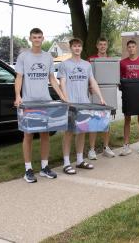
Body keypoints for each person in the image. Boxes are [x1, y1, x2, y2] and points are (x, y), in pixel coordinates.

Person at [14, 28, 67, 183]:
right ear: (30, 39)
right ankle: (28, 170)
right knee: (28, 135)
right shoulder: (23, 56)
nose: (37, 39)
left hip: (45, 101)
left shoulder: (48, 57)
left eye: (39, 37)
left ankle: (44, 167)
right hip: (28, 102)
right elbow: (19, 78)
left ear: (43, 38)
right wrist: (18, 96)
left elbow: (52, 79)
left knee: (45, 134)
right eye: (34, 37)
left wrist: (63, 97)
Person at [57, 38, 106, 174]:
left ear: (81, 48)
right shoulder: (64, 65)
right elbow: (62, 83)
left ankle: (79, 160)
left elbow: (93, 81)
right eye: (74, 46)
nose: (77, 48)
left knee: (82, 131)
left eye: (79, 46)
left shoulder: (86, 65)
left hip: (84, 103)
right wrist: (66, 100)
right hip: (70, 104)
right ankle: (66, 163)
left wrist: (101, 97)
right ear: (70, 48)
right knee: (68, 133)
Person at [87, 37, 116, 159]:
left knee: (106, 122)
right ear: (97, 46)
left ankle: (106, 147)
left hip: (108, 92)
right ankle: (91, 150)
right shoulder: (91, 60)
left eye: (105, 44)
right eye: (101, 44)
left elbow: (115, 77)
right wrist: (88, 86)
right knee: (94, 121)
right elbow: (87, 76)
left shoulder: (111, 61)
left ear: (107, 46)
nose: (103, 46)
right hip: (95, 93)